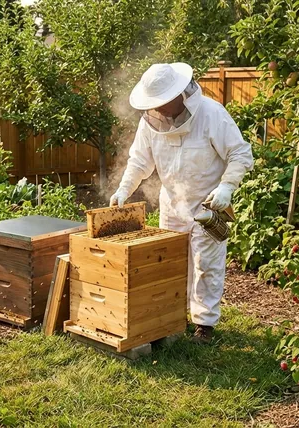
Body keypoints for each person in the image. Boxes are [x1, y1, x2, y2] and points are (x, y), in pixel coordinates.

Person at [110, 63, 254, 344]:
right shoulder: (150, 123)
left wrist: (227, 187)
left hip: (210, 207)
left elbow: (240, 153)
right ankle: (173, 316)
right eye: (155, 104)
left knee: (206, 265)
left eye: (163, 102)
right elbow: (140, 160)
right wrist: (124, 189)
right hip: (172, 204)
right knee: (171, 264)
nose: (159, 109)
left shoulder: (212, 114)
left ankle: (204, 325)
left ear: (180, 95)